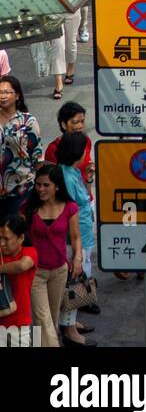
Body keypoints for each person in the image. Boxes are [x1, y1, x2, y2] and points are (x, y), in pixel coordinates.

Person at [24, 165, 82, 348]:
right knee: (43, 319)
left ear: (57, 186)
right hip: (35, 273)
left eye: (46, 185)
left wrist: (77, 258)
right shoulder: (29, 209)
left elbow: (75, 237)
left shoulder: (70, 207)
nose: (40, 189)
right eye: (38, 184)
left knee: (52, 319)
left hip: (59, 271)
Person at [54, 132, 96, 346]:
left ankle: (71, 321)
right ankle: (69, 328)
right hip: (76, 237)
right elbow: (72, 209)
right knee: (76, 281)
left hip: (83, 235)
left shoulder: (70, 172)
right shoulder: (66, 176)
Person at [0, 77, 42, 224]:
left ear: (17, 95)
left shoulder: (28, 121)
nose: (2, 96)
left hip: (21, 188)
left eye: (7, 92)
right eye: (0, 92)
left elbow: (37, 156)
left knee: (16, 234)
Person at [0, 215, 37, 342]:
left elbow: (21, 266)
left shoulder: (29, 252)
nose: (2, 243)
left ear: (21, 238)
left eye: (6, 239)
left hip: (19, 325)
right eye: (0, 238)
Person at [44, 103, 93, 194]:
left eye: (82, 121)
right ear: (64, 124)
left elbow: (86, 174)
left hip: (85, 198)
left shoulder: (86, 141)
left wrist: (89, 179)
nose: (80, 126)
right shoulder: (53, 148)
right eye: (75, 122)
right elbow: (48, 182)